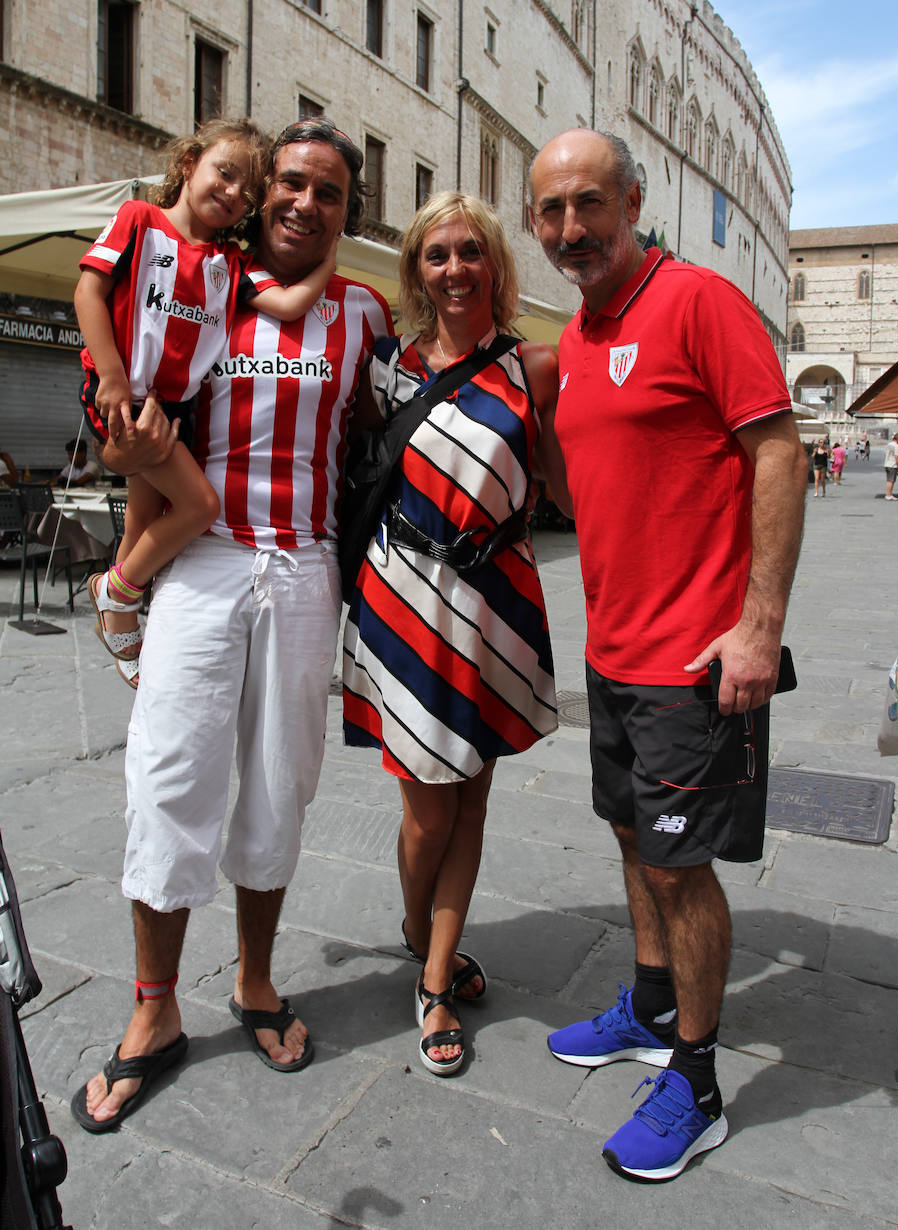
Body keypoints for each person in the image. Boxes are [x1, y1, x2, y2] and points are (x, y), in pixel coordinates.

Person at [69, 119, 392, 1133]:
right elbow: (137, 392)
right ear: (259, 194)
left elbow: (391, 438)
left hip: (305, 571)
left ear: (347, 211)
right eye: (287, 184)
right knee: (169, 776)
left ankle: (254, 981)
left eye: (326, 192)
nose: (301, 201)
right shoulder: (205, 282)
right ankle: (154, 1010)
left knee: (280, 787)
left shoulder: (365, 316)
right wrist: (127, 560)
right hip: (204, 563)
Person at [527, 129, 808, 1182]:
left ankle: (694, 1082)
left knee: (680, 869)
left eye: (587, 204)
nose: (569, 230)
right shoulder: (584, 333)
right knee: (633, 837)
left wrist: (759, 623)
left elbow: (776, 448)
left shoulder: (699, 304)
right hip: (614, 655)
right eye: (549, 212)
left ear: (632, 200)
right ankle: (650, 1007)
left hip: (696, 661)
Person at [342, 192, 570, 1077]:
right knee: (426, 804)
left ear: (495, 266)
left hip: (495, 596)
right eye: (436, 254)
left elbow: (564, 487)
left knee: (472, 795)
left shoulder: (534, 368)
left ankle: (434, 974)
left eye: (470, 251)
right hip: (402, 596)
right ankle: (416, 926)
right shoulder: (385, 371)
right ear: (416, 269)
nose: (453, 269)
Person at [75, 117, 339, 686]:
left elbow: (290, 305)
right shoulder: (137, 220)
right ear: (189, 162)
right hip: (127, 398)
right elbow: (88, 291)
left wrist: (329, 259)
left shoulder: (229, 263)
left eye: (247, 190)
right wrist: (113, 376)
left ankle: (120, 613)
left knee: (143, 522)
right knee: (199, 508)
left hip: (172, 410)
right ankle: (114, 592)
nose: (231, 192)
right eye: (223, 172)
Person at [884, 434, 898, 499]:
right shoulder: (896, 446)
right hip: (892, 465)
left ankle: (889, 494)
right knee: (891, 480)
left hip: (887, 463)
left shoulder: (889, 445)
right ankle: (888, 495)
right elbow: (897, 457)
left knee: (889, 480)